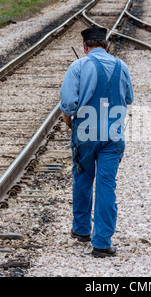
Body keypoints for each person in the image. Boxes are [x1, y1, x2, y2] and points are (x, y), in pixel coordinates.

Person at [59, 27, 134, 257]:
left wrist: (68, 120)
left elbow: (68, 104)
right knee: (106, 184)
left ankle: (82, 230)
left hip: (85, 133)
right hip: (113, 135)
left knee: (83, 178)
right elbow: (129, 98)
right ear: (106, 46)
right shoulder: (122, 67)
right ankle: (101, 243)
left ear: (85, 47)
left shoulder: (78, 66)